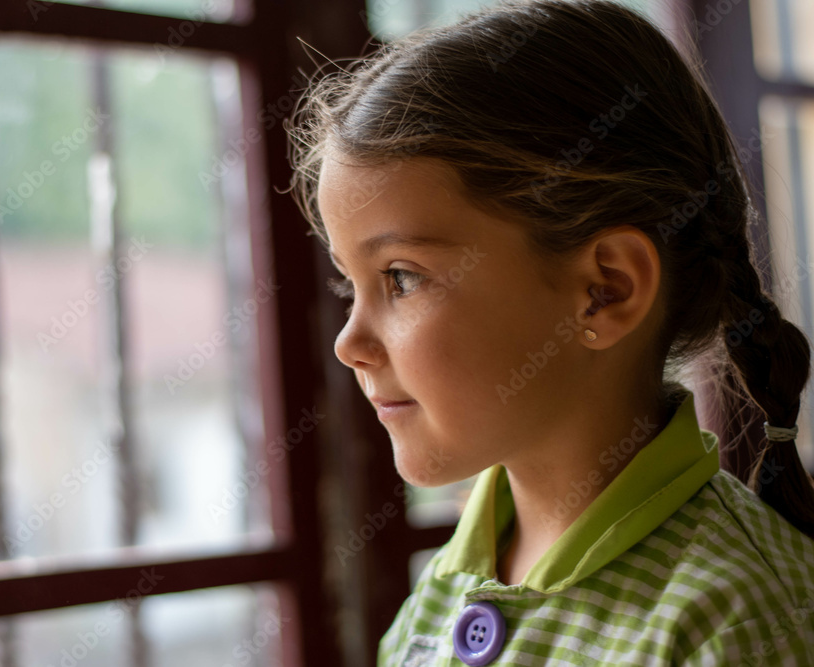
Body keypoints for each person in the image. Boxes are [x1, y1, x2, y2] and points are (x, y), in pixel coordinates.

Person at [284, 0, 814, 664]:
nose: (348, 343)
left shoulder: (736, 619)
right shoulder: (441, 591)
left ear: (605, 291)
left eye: (402, 277)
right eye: (348, 285)